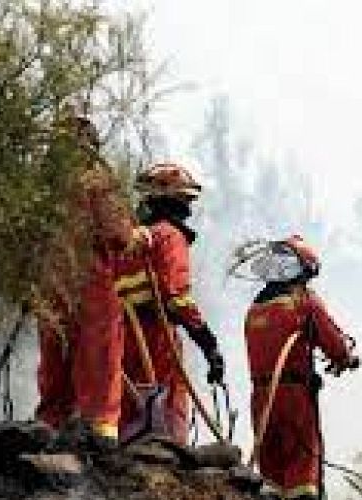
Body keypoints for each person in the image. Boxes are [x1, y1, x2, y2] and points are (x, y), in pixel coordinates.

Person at [35, 113, 134, 448]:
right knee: (99, 355)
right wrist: (135, 233)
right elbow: (119, 234)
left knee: (55, 358)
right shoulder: (96, 180)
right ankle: (100, 434)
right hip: (91, 280)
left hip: (49, 282)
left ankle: (51, 428)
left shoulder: (41, 188)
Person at [245, 235, 358, 500]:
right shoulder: (303, 302)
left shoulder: (254, 309)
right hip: (294, 397)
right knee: (302, 462)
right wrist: (346, 358)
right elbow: (333, 341)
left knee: (270, 465)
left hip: (260, 399)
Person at [113, 162, 225, 445]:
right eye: (185, 199)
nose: (188, 208)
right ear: (172, 199)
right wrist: (208, 343)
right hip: (156, 337)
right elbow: (178, 298)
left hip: (122, 336)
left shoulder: (132, 239)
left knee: (131, 411)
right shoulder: (170, 235)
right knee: (167, 408)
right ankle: (166, 456)